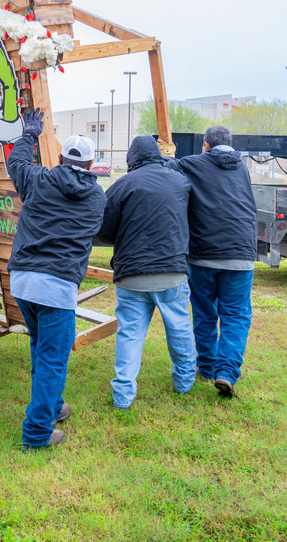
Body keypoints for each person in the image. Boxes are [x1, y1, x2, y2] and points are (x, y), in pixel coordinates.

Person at [7, 110, 106, 449]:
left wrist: (29, 135)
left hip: (22, 282)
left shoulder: (39, 179)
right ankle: (36, 434)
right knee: (52, 358)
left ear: (61, 157)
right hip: (57, 288)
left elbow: (16, 163)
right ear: (92, 165)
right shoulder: (97, 197)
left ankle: (51, 406)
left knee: (41, 347)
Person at [97, 135, 195, 407]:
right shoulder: (180, 182)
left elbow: (104, 231)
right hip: (172, 272)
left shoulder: (122, 185)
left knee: (129, 334)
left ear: (132, 160)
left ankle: (123, 397)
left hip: (131, 275)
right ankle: (185, 382)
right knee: (179, 329)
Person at [168, 125, 257, 398]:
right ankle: (226, 372)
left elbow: (165, 170)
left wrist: (167, 153)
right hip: (241, 253)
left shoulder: (192, 164)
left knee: (205, 312)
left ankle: (205, 366)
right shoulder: (242, 168)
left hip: (203, 254)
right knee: (236, 315)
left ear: (205, 145)